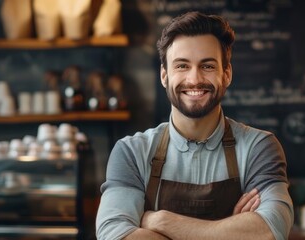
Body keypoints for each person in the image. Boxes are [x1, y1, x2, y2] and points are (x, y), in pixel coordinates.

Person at [96, 11, 294, 240]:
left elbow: (271, 228)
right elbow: (114, 234)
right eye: (182, 66)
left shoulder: (260, 147)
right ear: (164, 75)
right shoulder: (131, 151)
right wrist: (231, 229)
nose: (194, 79)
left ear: (226, 74)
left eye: (207, 66)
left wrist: (159, 221)